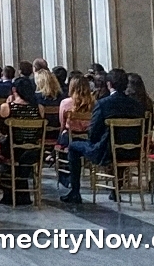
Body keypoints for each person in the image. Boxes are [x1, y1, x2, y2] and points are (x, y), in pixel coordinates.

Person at [61, 69, 145, 203]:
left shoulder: (103, 104)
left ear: (109, 84)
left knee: (73, 147)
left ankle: (75, 192)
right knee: (118, 144)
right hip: (133, 152)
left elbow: (93, 133)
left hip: (106, 151)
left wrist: (94, 140)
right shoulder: (137, 106)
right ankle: (115, 190)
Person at [0, 77, 44, 205]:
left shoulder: (7, 107)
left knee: (4, 143)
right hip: (33, 151)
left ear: (14, 90)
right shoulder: (39, 108)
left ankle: (8, 190)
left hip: (13, 150)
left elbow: (3, 130)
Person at [57, 75, 94, 148]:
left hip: (70, 138)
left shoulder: (65, 103)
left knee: (62, 133)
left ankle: (54, 153)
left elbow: (62, 124)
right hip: (88, 138)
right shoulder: (94, 103)